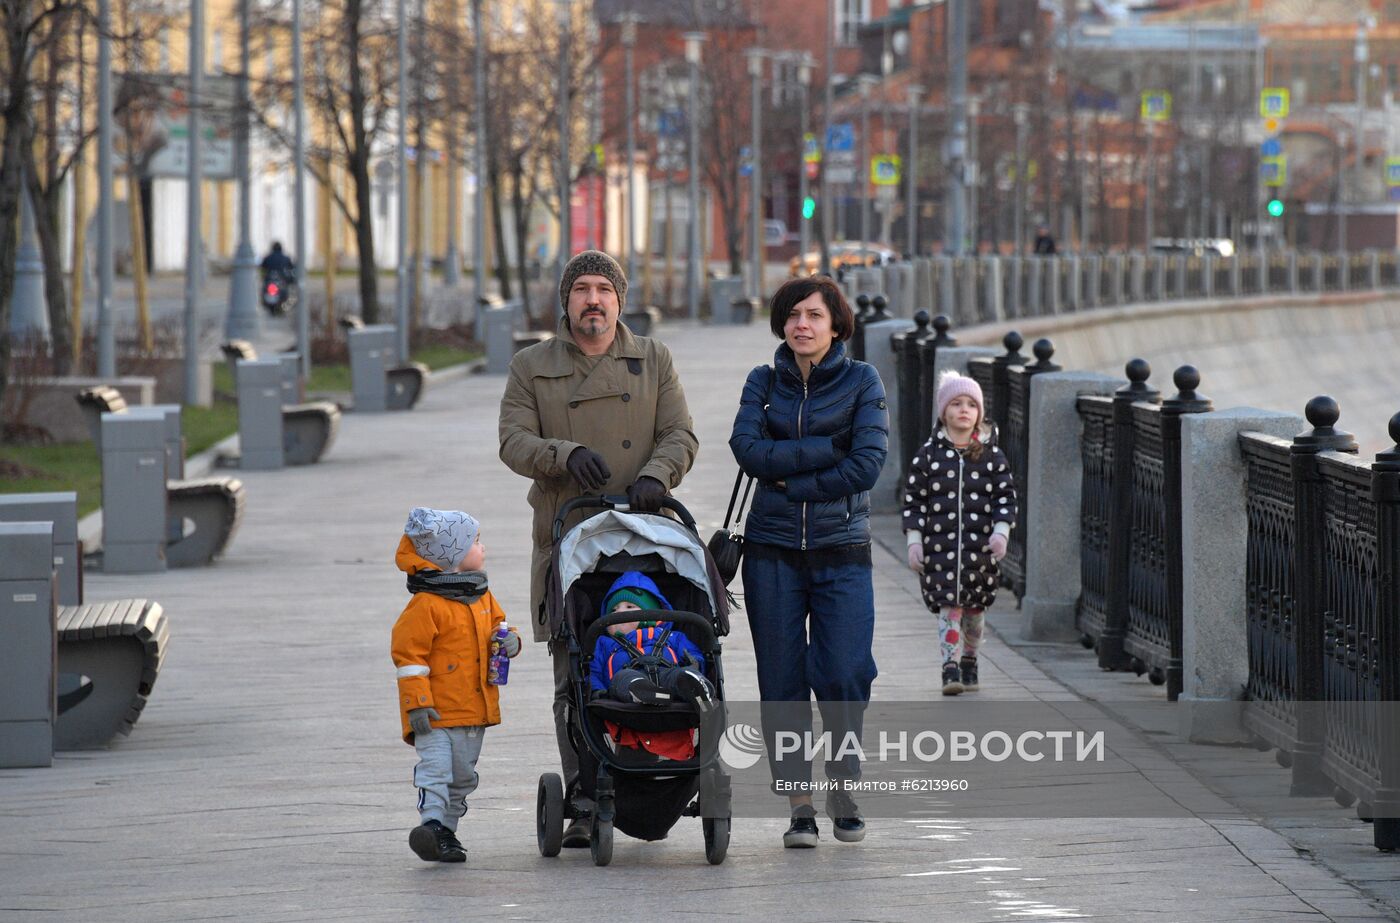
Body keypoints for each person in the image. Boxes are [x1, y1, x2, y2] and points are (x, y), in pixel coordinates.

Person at [498, 249, 698, 847]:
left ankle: (660, 771)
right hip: (568, 535)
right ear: (566, 300)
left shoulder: (652, 359)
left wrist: (657, 477)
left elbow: (680, 433)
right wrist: (561, 454)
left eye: (603, 290)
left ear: (619, 299)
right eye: (581, 289)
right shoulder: (532, 366)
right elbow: (512, 439)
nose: (593, 300)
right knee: (575, 675)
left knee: (660, 652)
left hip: (645, 536)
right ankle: (585, 795)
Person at [728, 275, 888, 849]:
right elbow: (746, 450)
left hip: (842, 551)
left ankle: (843, 781)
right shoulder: (762, 382)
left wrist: (788, 480)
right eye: (793, 314)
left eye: (814, 315)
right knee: (782, 681)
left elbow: (867, 464)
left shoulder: (863, 380)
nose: (802, 324)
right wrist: (825, 453)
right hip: (770, 555)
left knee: (845, 672)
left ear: (836, 323)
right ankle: (799, 805)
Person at [390, 507, 521, 863]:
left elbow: (502, 627)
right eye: (476, 542)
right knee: (437, 771)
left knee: (463, 778)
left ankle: (445, 833)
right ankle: (431, 824)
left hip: (472, 709)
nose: (483, 548)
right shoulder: (425, 605)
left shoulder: (481, 595)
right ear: (451, 556)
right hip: (434, 712)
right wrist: (416, 703)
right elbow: (409, 658)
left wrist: (511, 641)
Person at [902, 372, 1017, 696]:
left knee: (975, 612)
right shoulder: (929, 455)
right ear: (943, 412)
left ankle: (970, 659)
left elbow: (1006, 498)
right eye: (956, 404)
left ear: (980, 413)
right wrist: (914, 543)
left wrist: (1001, 533)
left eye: (971, 404)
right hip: (940, 551)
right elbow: (914, 501)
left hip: (979, 553)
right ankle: (949, 668)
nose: (964, 410)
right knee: (949, 608)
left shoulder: (991, 457)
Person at [589, 571, 717, 761]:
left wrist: (695, 665)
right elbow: (594, 669)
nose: (619, 613)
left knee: (682, 674)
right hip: (626, 677)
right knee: (623, 679)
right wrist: (597, 690)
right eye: (613, 610)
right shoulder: (604, 643)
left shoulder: (672, 636)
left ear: (651, 611)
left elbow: (696, 654)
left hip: (668, 674)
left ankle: (695, 686)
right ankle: (643, 692)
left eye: (629, 606)